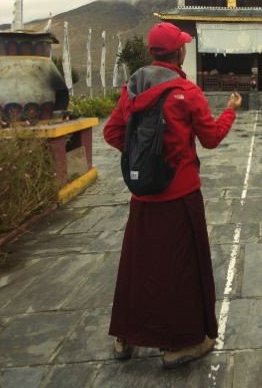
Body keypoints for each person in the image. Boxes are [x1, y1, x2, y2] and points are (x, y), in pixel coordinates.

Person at [103, 22, 242, 369]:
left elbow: (111, 132)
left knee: (138, 265)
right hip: (180, 194)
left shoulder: (131, 90)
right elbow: (210, 138)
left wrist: (143, 159)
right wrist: (230, 111)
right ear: (178, 52)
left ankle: (125, 337)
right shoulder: (185, 91)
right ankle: (180, 344)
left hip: (143, 196)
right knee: (180, 269)